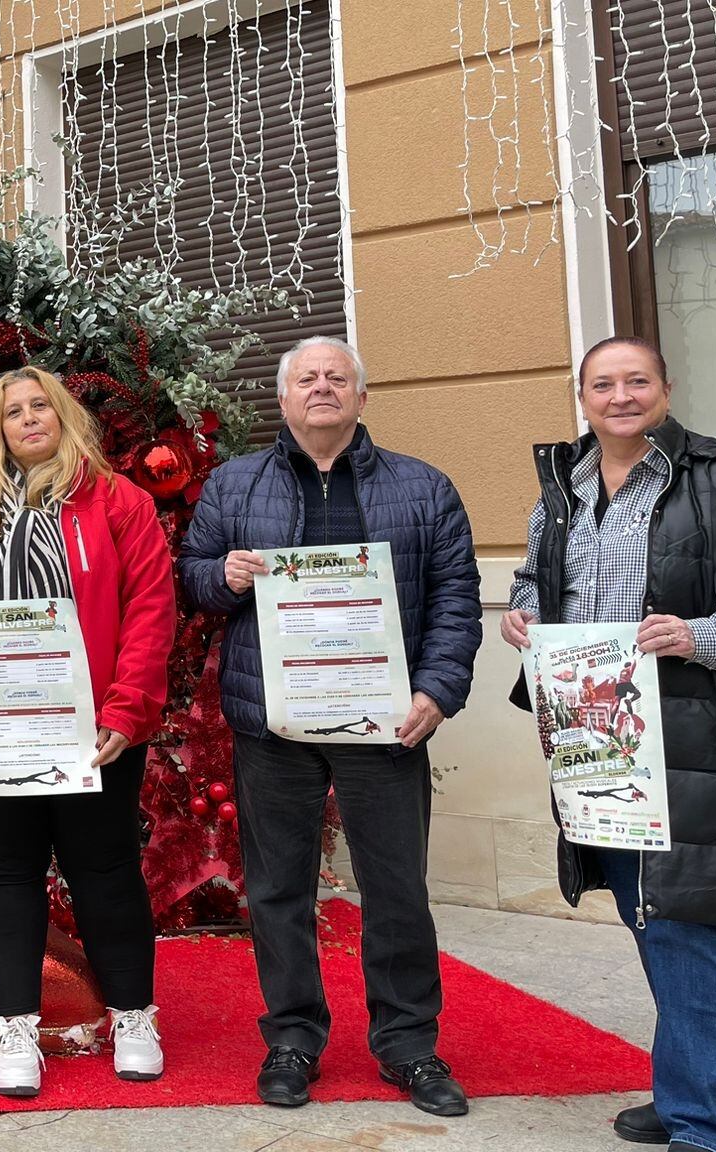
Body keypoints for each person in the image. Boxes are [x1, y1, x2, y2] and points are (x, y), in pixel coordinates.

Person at [501, 336, 716, 1152]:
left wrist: (700, 635)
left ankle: (704, 1126)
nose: (621, 396)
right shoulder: (564, 489)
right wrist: (523, 616)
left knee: (691, 922)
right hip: (600, 738)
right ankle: (706, 1093)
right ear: (582, 398)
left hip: (701, 740)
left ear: (666, 390)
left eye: (637, 380)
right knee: (653, 915)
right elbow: (535, 580)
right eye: (603, 384)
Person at [178, 336, 480, 1116]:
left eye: (336, 378)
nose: (321, 388)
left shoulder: (424, 488)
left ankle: (409, 1046)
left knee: (396, 888)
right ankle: (292, 1039)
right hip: (274, 723)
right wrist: (222, 576)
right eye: (306, 379)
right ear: (283, 399)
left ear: (361, 397)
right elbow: (192, 577)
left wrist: (438, 691)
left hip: (386, 721)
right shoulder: (234, 483)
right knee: (278, 889)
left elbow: (455, 597)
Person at [0, 365, 175, 1098]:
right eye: (12, 412)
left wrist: (127, 709)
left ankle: (132, 1015)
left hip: (93, 724)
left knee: (104, 867)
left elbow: (151, 608)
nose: (28, 420)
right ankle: (16, 1028)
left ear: (63, 416)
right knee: (6, 869)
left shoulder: (118, 501)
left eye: (40, 407)